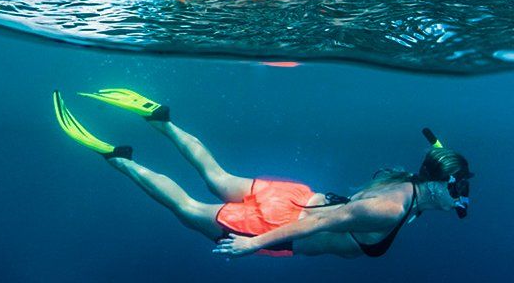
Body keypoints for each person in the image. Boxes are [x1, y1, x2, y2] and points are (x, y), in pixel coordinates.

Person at [53, 89, 471, 258]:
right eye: (460, 188)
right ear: (440, 184)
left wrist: (441, 152)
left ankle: (161, 120)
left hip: (293, 196)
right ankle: (118, 157)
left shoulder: (406, 181)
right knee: (186, 206)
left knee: (216, 175)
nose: (463, 197)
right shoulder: (387, 209)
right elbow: (320, 224)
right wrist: (252, 248)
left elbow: (436, 158)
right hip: (280, 222)